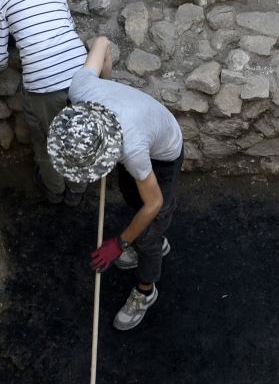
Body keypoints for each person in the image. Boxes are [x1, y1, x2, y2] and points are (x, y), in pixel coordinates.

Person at [45, 36, 183, 331]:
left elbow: (154, 202)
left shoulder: (131, 148)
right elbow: (103, 42)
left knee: (148, 229)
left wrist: (119, 244)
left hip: (165, 150)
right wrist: (106, 83)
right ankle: (152, 240)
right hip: (137, 132)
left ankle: (146, 290)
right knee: (132, 196)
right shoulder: (81, 89)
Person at [0, 0, 88, 205]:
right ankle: (77, 192)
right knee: (80, 135)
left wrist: (2, 65)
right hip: (82, 73)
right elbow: (67, 25)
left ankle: (55, 192)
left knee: (47, 141)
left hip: (45, 84)